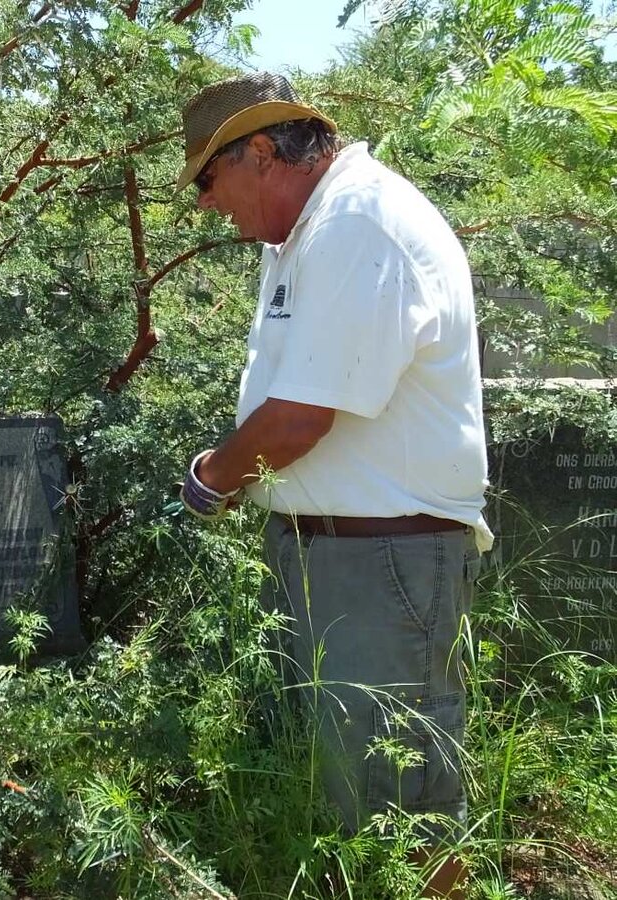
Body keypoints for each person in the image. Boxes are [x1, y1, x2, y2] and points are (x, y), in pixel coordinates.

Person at [176, 72, 492, 898]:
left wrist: (210, 482)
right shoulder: (313, 231)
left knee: (396, 796)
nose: (207, 205)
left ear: (262, 152)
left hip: (382, 559)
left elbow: (299, 418)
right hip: (336, 551)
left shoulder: (357, 221)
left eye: (209, 179)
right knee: (344, 791)